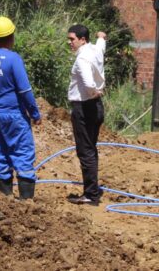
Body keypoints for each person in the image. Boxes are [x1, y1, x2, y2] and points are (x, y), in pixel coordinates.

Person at [0, 16, 41, 199]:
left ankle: (5, 200)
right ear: (12, 36)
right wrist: (34, 112)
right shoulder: (14, 59)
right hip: (13, 114)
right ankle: (25, 203)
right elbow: (25, 90)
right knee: (22, 152)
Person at [66, 24, 106, 205]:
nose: (69, 42)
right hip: (96, 107)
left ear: (83, 40)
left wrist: (93, 92)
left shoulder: (82, 58)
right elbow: (101, 45)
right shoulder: (95, 50)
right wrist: (101, 36)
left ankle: (90, 195)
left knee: (85, 151)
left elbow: (88, 83)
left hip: (84, 107)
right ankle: (92, 190)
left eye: (72, 39)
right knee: (91, 148)